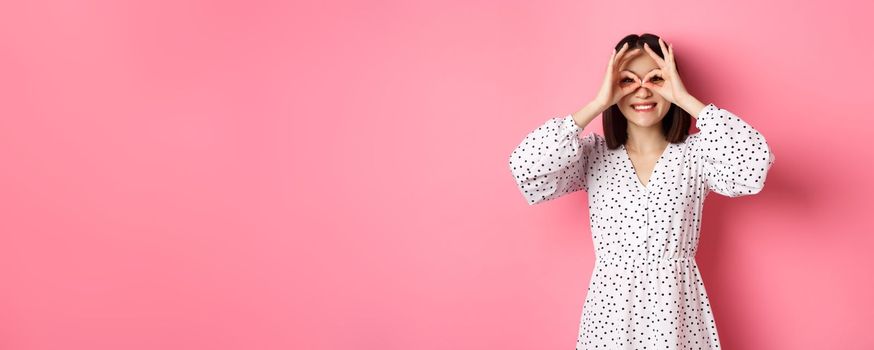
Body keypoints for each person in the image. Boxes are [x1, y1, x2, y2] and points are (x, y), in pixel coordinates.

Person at [508, 33, 775, 349]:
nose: (643, 90)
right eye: (628, 80)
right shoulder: (591, 155)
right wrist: (596, 104)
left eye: (656, 78)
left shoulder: (698, 155)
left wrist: (685, 98)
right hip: (610, 318)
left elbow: (754, 164)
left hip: (678, 315)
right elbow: (525, 167)